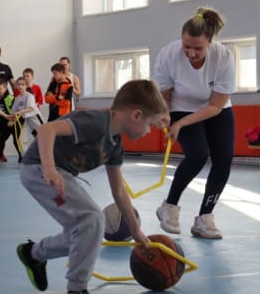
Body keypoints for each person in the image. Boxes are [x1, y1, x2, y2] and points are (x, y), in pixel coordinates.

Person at [16, 79, 167, 294]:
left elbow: (119, 191)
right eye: (150, 125)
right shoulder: (95, 121)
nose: (149, 131)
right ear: (136, 115)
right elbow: (46, 130)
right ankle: (77, 288)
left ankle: (33, 253)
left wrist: (135, 230)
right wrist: (49, 170)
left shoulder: (115, 145)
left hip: (59, 174)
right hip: (38, 168)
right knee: (92, 218)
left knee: (86, 232)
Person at [154, 7, 235, 239]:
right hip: (181, 105)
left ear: (210, 42)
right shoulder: (169, 55)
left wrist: (181, 125)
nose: (190, 52)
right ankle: (169, 207)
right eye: (186, 46)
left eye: (197, 48)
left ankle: (204, 218)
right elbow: (165, 97)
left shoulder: (224, 57)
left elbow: (215, 106)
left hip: (215, 108)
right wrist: (166, 117)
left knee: (224, 159)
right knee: (197, 154)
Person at [0, 78, 23, 163]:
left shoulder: (10, 98)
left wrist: (13, 120)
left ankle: (22, 157)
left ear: (5, 88)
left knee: (16, 140)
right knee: (0, 139)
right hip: (4, 121)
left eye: (0, 89)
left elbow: (17, 110)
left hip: (15, 121)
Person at [11, 77, 44, 154]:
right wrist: (11, 119)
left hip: (35, 118)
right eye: (18, 84)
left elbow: (30, 108)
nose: (20, 86)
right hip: (27, 120)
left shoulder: (29, 96)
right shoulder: (17, 98)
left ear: (26, 86)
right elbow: (13, 112)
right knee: (21, 140)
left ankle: (51, 157)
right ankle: (25, 158)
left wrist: (19, 112)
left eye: (22, 84)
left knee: (44, 136)